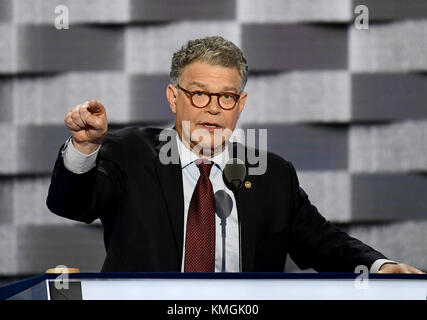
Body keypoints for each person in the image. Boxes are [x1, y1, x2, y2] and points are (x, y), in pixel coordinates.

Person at [47, 36, 423, 274]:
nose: (213, 108)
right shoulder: (130, 152)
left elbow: (323, 243)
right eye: (199, 94)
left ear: (240, 104)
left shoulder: (272, 174)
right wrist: (84, 147)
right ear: (173, 97)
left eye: (226, 96)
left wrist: (379, 265)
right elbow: (72, 204)